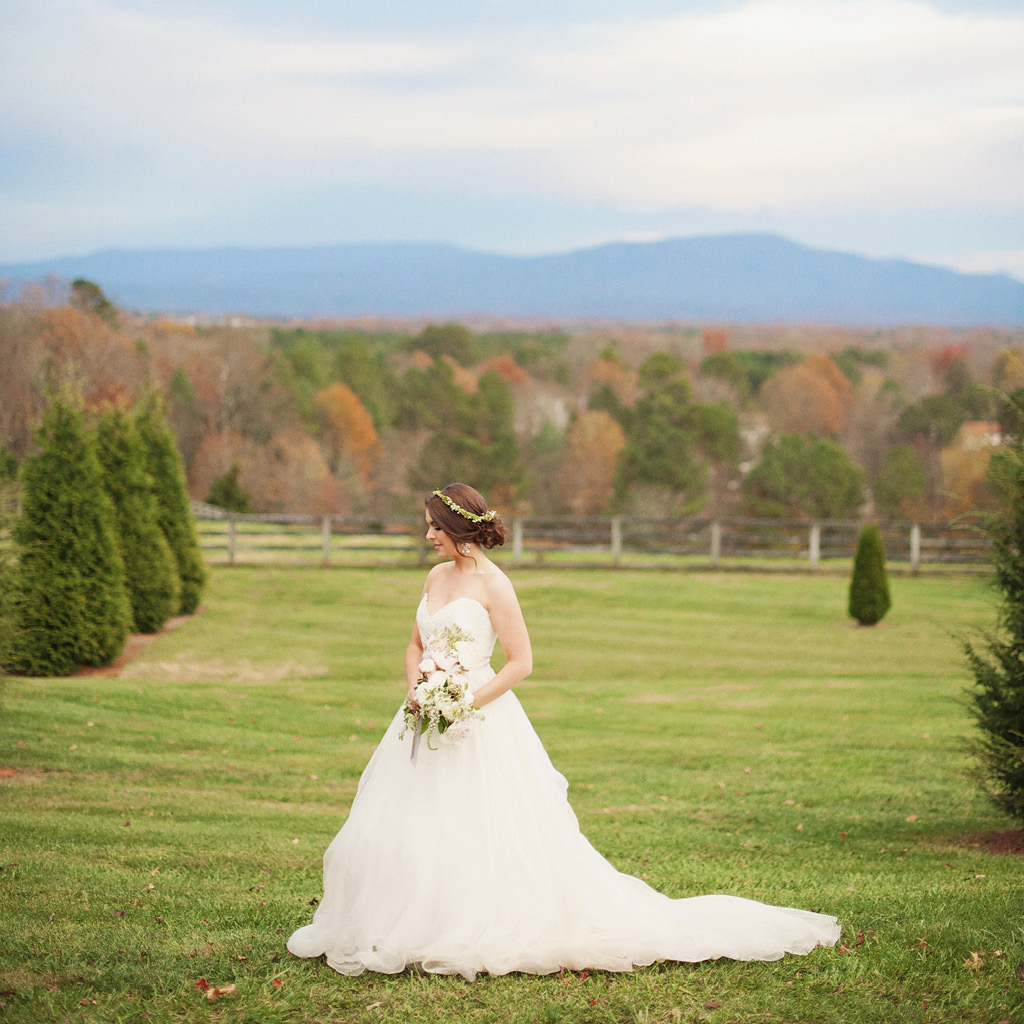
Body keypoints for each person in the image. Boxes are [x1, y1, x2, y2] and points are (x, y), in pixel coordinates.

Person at [287, 483, 840, 980]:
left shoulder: (496, 586)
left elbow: (521, 663)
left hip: (476, 717)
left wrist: (462, 704)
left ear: (460, 530)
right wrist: (418, 690)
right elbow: (415, 644)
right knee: (411, 819)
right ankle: (401, 918)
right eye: (427, 526)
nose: (428, 536)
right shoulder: (434, 577)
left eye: (435, 527)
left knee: (478, 822)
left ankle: (475, 919)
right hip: (421, 715)